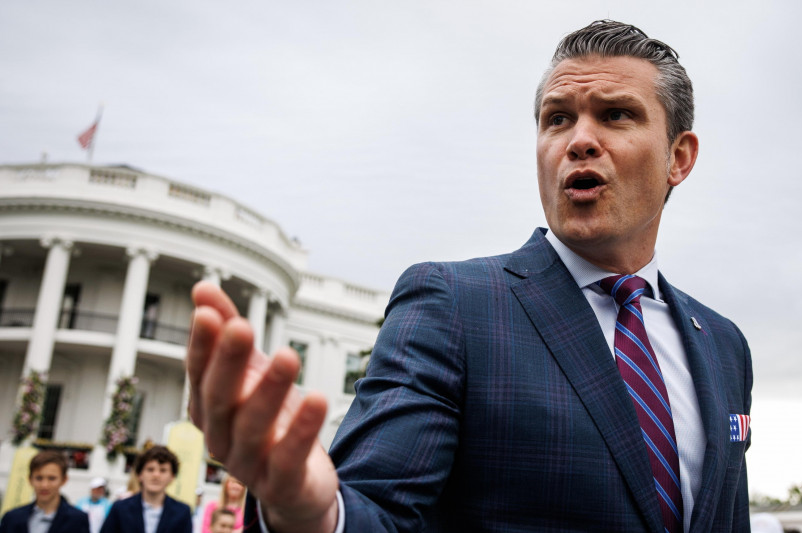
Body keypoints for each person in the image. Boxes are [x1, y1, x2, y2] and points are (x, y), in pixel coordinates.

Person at [186, 19, 753, 533]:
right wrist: (310, 514)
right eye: (557, 119)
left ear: (679, 157)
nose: (578, 140)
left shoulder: (725, 346)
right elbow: (376, 507)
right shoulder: (452, 305)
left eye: (615, 115)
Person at [99, 446, 192, 533]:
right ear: (140, 475)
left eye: (163, 470)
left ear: (172, 476)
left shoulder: (182, 512)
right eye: (150, 469)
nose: (156, 475)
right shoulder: (120, 509)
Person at [0, 450, 90, 533]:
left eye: (52, 478)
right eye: (39, 478)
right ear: (30, 479)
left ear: (64, 480)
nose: (44, 485)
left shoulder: (77, 520)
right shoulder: (11, 518)